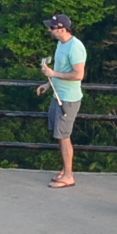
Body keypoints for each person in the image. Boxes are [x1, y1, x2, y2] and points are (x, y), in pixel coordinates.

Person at [38, 14, 87, 189]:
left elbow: (78, 74)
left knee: (64, 136)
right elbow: (60, 70)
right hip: (58, 94)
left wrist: (53, 75)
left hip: (68, 99)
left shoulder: (75, 47)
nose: (49, 30)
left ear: (62, 29)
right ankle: (65, 169)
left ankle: (69, 175)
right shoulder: (61, 44)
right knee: (59, 135)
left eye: (52, 27)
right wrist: (47, 84)